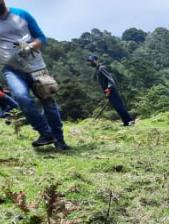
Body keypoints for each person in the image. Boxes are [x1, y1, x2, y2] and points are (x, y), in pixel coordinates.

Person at [0, 1, 69, 150]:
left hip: (36, 67)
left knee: (48, 103)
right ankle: (45, 132)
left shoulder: (22, 14)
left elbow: (41, 38)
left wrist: (30, 47)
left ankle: (59, 140)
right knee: (21, 96)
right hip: (11, 69)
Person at [86, 55, 134, 126]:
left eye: (91, 61)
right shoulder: (98, 69)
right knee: (117, 107)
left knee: (119, 106)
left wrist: (109, 89)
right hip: (108, 91)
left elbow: (110, 79)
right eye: (89, 62)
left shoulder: (102, 68)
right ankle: (126, 122)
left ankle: (130, 121)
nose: (90, 63)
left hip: (111, 90)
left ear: (96, 60)